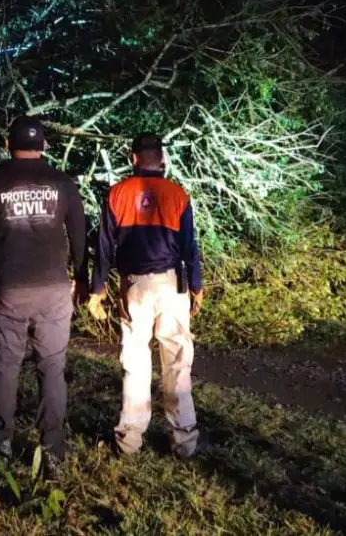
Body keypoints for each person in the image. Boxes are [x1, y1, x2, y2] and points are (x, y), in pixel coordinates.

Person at [0, 116, 87, 469]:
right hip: (55, 292)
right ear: (44, 146)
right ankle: (54, 452)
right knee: (53, 369)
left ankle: (0, 448)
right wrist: (84, 279)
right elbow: (79, 236)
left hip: (9, 291)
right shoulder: (62, 182)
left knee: (5, 370)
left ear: (7, 145)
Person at [84, 134, 203, 458]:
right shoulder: (178, 194)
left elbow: (105, 248)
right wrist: (196, 286)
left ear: (133, 157)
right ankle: (185, 442)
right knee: (177, 364)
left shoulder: (117, 193)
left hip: (134, 285)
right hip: (171, 285)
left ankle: (129, 441)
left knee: (135, 362)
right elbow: (190, 247)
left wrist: (98, 289)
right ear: (161, 158)